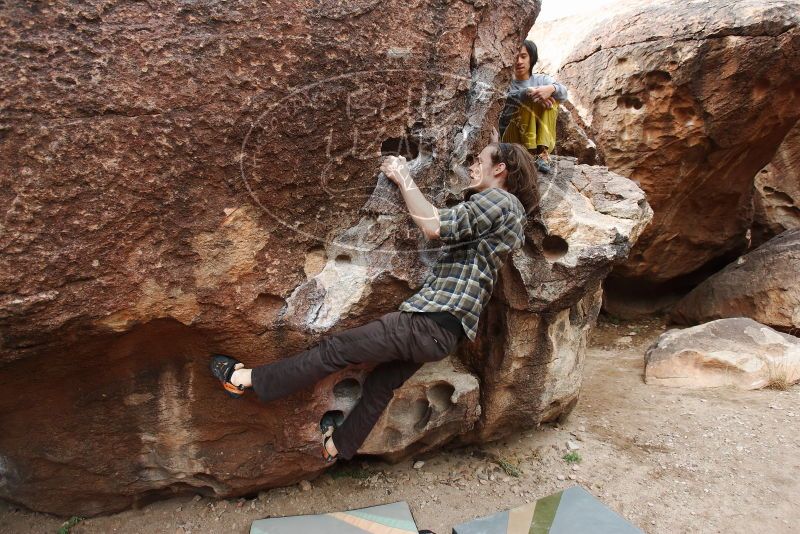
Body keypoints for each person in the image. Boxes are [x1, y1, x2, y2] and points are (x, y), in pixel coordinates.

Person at [209, 142, 539, 463]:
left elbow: (434, 226)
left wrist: (403, 176)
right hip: (443, 336)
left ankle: (243, 380)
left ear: (500, 169)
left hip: (426, 323)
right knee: (381, 384)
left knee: (334, 350)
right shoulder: (512, 216)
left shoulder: (500, 199)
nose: (473, 165)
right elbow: (446, 225)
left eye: (481, 160)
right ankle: (337, 446)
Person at [498, 40, 568, 174]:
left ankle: (543, 153)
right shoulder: (504, 82)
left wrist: (551, 88)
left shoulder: (542, 79)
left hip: (539, 140)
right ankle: (528, 154)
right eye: (515, 57)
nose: (519, 61)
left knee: (552, 100)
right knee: (528, 99)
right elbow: (505, 107)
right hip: (513, 140)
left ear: (532, 58)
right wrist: (528, 93)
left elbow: (564, 94)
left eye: (523, 56)